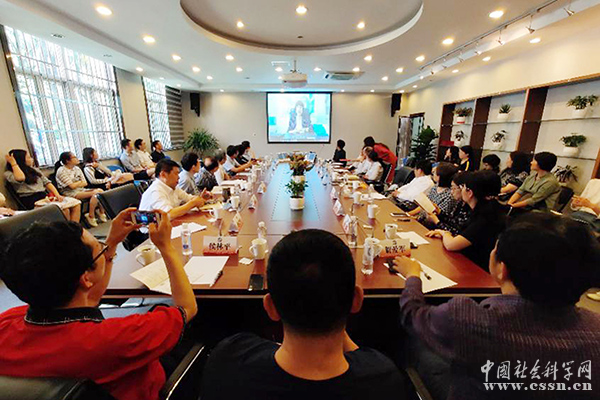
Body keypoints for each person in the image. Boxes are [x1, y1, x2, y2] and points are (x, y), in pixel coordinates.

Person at [394, 212, 600, 400]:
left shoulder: (468, 319)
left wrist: (412, 276)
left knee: (414, 344)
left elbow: (412, 316)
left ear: (502, 269)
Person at [0, 208, 198, 400]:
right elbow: (187, 308)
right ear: (85, 277)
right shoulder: (120, 336)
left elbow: (89, 298)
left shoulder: (7, 323)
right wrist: (166, 247)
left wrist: (111, 242)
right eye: (99, 245)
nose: (104, 249)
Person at [202, 229, 408, 399]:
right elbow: (363, 359)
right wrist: (334, 310)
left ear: (270, 307)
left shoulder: (229, 359)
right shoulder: (385, 381)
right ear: (357, 300)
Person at [426, 170, 505, 270]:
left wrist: (444, 233)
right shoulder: (487, 208)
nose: (461, 189)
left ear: (470, 192)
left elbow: (451, 245)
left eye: (462, 187)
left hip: (475, 268)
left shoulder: (485, 217)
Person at [4, 149, 80, 222]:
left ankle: (74, 228)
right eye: (28, 157)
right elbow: (20, 178)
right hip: (30, 200)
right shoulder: (9, 173)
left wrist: (57, 195)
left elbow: (47, 183)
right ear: (21, 160)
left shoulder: (35, 170)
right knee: (64, 210)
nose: (31, 159)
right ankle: (67, 230)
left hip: (44, 196)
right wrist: (14, 164)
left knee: (76, 204)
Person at [139, 159, 208, 220]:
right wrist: (192, 203)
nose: (179, 177)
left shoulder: (173, 187)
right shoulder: (155, 191)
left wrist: (200, 199)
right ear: (163, 175)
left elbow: (189, 198)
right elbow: (168, 214)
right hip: (152, 229)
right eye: (176, 174)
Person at [55, 152, 107, 227]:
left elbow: (85, 183)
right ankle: (91, 215)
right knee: (96, 193)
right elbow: (72, 186)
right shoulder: (61, 171)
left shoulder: (77, 168)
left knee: (100, 191)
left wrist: (77, 183)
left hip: (81, 190)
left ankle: (100, 212)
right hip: (69, 193)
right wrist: (79, 182)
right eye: (74, 157)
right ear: (67, 161)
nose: (77, 158)